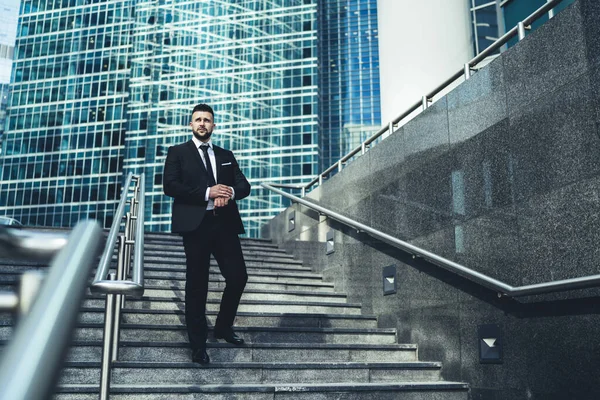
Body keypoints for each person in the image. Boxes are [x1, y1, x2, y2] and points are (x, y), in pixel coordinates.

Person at [163, 103, 251, 365]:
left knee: (238, 277)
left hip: (224, 224)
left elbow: (243, 185)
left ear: (214, 125)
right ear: (191, 124)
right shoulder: (177, 152)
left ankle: (223, 327)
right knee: (197, 285)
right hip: (196, 226)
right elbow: (170, 186)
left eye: (207, 120)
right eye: (198, 119)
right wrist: (208, 193)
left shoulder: (226, 154)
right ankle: (198, 344)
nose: (202, 123)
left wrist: (228, 193)